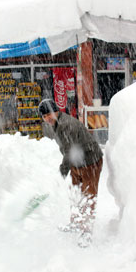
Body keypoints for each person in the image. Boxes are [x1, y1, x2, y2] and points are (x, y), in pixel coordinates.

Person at [39, 99, 103, 247]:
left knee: (88, 197)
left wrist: (62, 171)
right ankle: (76, 223)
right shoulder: (56, 124)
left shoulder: (67, 125)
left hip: (90, 161)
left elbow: (70, 151)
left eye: (49, 114)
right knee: (76, 194)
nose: (47, 118)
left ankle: (86, 232)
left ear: (56, 111)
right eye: (44, 116)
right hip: (77, 162)